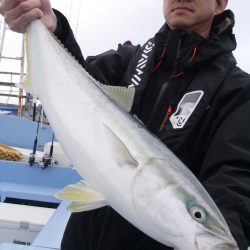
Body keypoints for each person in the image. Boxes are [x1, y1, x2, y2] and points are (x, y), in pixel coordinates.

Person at [1, 0, 250, 249]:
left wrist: (224, 239)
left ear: (219, 4)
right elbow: (74, 85)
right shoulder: (128, 61)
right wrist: (53, 30)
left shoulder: (238, 93)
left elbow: (236, 179)